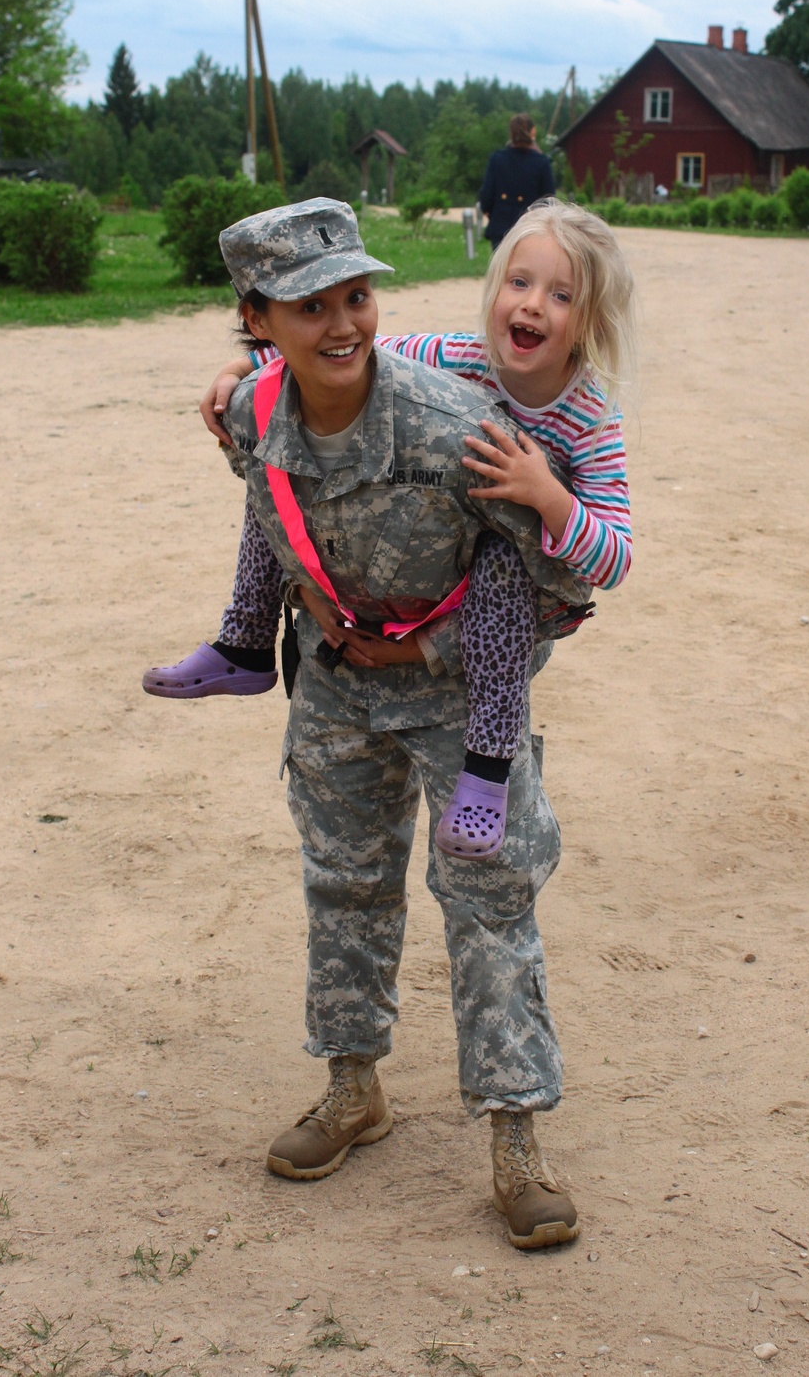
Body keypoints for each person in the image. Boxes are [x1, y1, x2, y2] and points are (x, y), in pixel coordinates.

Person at [202, 196, 593, 1249]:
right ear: (258, 319)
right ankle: (352, 1088)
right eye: (308, 306)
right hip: (336, 686)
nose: (341, 326)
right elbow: (268, 507)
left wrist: (430, 650)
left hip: (462, 702)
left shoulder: (455, 423)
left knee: (489, 902)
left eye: (357, 298)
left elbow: (551, 584)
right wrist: (309, 617)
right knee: (344, 884)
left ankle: (515, 1139)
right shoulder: (250, 415)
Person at [145, 199, 634, 864]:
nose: (532, 306)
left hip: (517, 585)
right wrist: (244, 371)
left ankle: (486, 769)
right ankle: (247, 640)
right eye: (519, 283)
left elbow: (614, 559)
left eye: (561, 295)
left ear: (589, 322)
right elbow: (348, 358)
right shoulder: (451, 354)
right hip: (432, 557)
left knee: (500, 553)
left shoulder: (589, 418)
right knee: (279, 465)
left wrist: (547, 495)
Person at [478, 113, 555, 247]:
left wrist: (495, 214)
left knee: (502, 267)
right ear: (533, 132)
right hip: (531, 229)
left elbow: (486, 195)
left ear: (511, 133)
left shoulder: (497, 159)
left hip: (501, 226)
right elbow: (549, 199)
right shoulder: (541, 162)